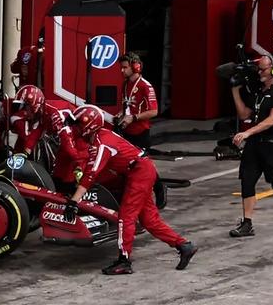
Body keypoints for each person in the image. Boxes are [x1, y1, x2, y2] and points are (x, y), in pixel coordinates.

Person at [64, 104, 197, 274]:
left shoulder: (101, 144)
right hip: (141, 170)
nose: (74, 128)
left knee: (125, 217)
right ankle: (184, 246)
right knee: (150, 221)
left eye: (77, 125)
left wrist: (73, 202)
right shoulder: (102, 136)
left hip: (139, 173)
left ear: (88, 126)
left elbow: (90, 176)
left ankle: (124, 261)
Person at [229, 54, 273, 237]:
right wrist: (235, 91)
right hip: (254, 143)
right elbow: (244, 114)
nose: (259, 73)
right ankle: (247, 223)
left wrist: (247, 132)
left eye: (262, 69)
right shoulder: (258, 91)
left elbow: (272, 120)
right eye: (258, 69)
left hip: (271, 143)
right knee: (247, 180)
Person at [8, 85, 84, 188]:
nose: (24, 112)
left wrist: (79, 165)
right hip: (68, 139)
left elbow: (67, 142)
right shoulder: (42, 112)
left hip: (79, 140)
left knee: (69, 172)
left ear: (34, 105)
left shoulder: (55, 115)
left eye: (26, 107)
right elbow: (35, 133)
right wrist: (24, 153)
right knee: (58, 175)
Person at [115, 52, 158, 150]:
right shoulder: (125, 84)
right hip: (127, 132)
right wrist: (121, 114)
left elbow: (154, 111)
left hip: (140, 134)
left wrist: (133, 118)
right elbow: (127, 104)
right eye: (121, 67)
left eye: (125, 67)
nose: (122, 70)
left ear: (135, 67)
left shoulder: (145, 86)